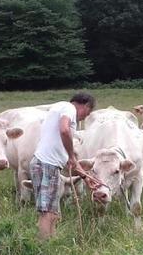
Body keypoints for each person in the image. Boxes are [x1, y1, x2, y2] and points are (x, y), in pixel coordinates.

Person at [30, 91, 98, 240]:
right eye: (87, 113)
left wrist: (85, 176)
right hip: (47, 165)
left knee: (49, 210)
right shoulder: (68, 108)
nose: (84, 117)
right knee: (49, 211)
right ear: (86, 106)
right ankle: (43, 247)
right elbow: (64, 129)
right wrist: (72, 154)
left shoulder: (57, 110)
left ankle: (49, 242)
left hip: (43, 163)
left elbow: (70, 161)